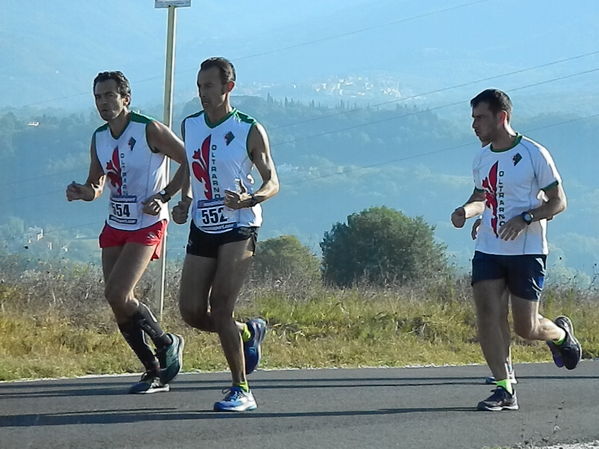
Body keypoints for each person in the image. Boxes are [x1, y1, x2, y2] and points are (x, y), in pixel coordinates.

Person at [450, 88, 581, 411]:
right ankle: (504, 387)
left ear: (501, 117)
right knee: (488, 316)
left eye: (480, 118)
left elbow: (558, 202)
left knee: (526, 327)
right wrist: (466, 213)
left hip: (527, 250)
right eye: (473, 119)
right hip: (489, 249)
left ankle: (561, 335)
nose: (474, 126)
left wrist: (526, 218)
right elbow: (483, 197)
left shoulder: (535, 154)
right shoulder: (482, 157)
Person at [66, 71, 186, 394]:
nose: (103, 103)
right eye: (98, 97)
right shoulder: (99, 137)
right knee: (117, 300)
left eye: (109, 95)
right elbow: (97, 184)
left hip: (147, 222)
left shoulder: (149, 130)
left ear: (125, 98)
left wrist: (165, 196)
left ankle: (166, 342)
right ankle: (153, 368)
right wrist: (82, 191)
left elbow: (190, 160)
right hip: (116, 222)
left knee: (119, 293)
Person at [172, 57, 279, 412]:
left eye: (210, 87)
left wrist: (249, 198)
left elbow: (273, 182)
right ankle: (247, 332)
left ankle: (241, 389)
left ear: (228, 87)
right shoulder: (190, 125)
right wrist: (185, 201)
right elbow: (192, 168)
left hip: (240, 225)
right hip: (203, 224)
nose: (203, 93)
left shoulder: (249, 128)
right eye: (200, 86)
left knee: (219, 309)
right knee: (190, 311)